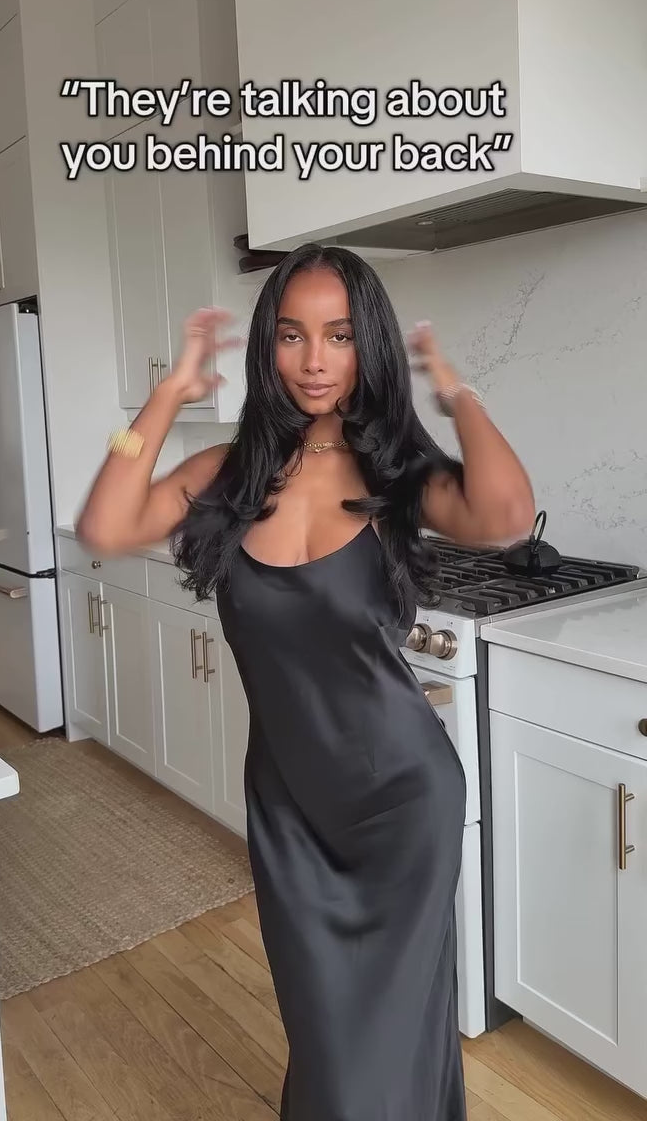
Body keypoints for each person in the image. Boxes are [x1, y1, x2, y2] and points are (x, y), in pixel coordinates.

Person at [76, 242, 535, 1121]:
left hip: (401, 803)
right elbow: (105, 524)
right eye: (292, 335)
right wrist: (168, 394)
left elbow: (508, 513)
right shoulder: (226, 476)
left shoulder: (398, 477)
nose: (314, 360)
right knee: (327, 1038)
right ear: (268, 346)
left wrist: (456, 394)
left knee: (384, 1038)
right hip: (289, 810)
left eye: (338, 335)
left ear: (368, 346)